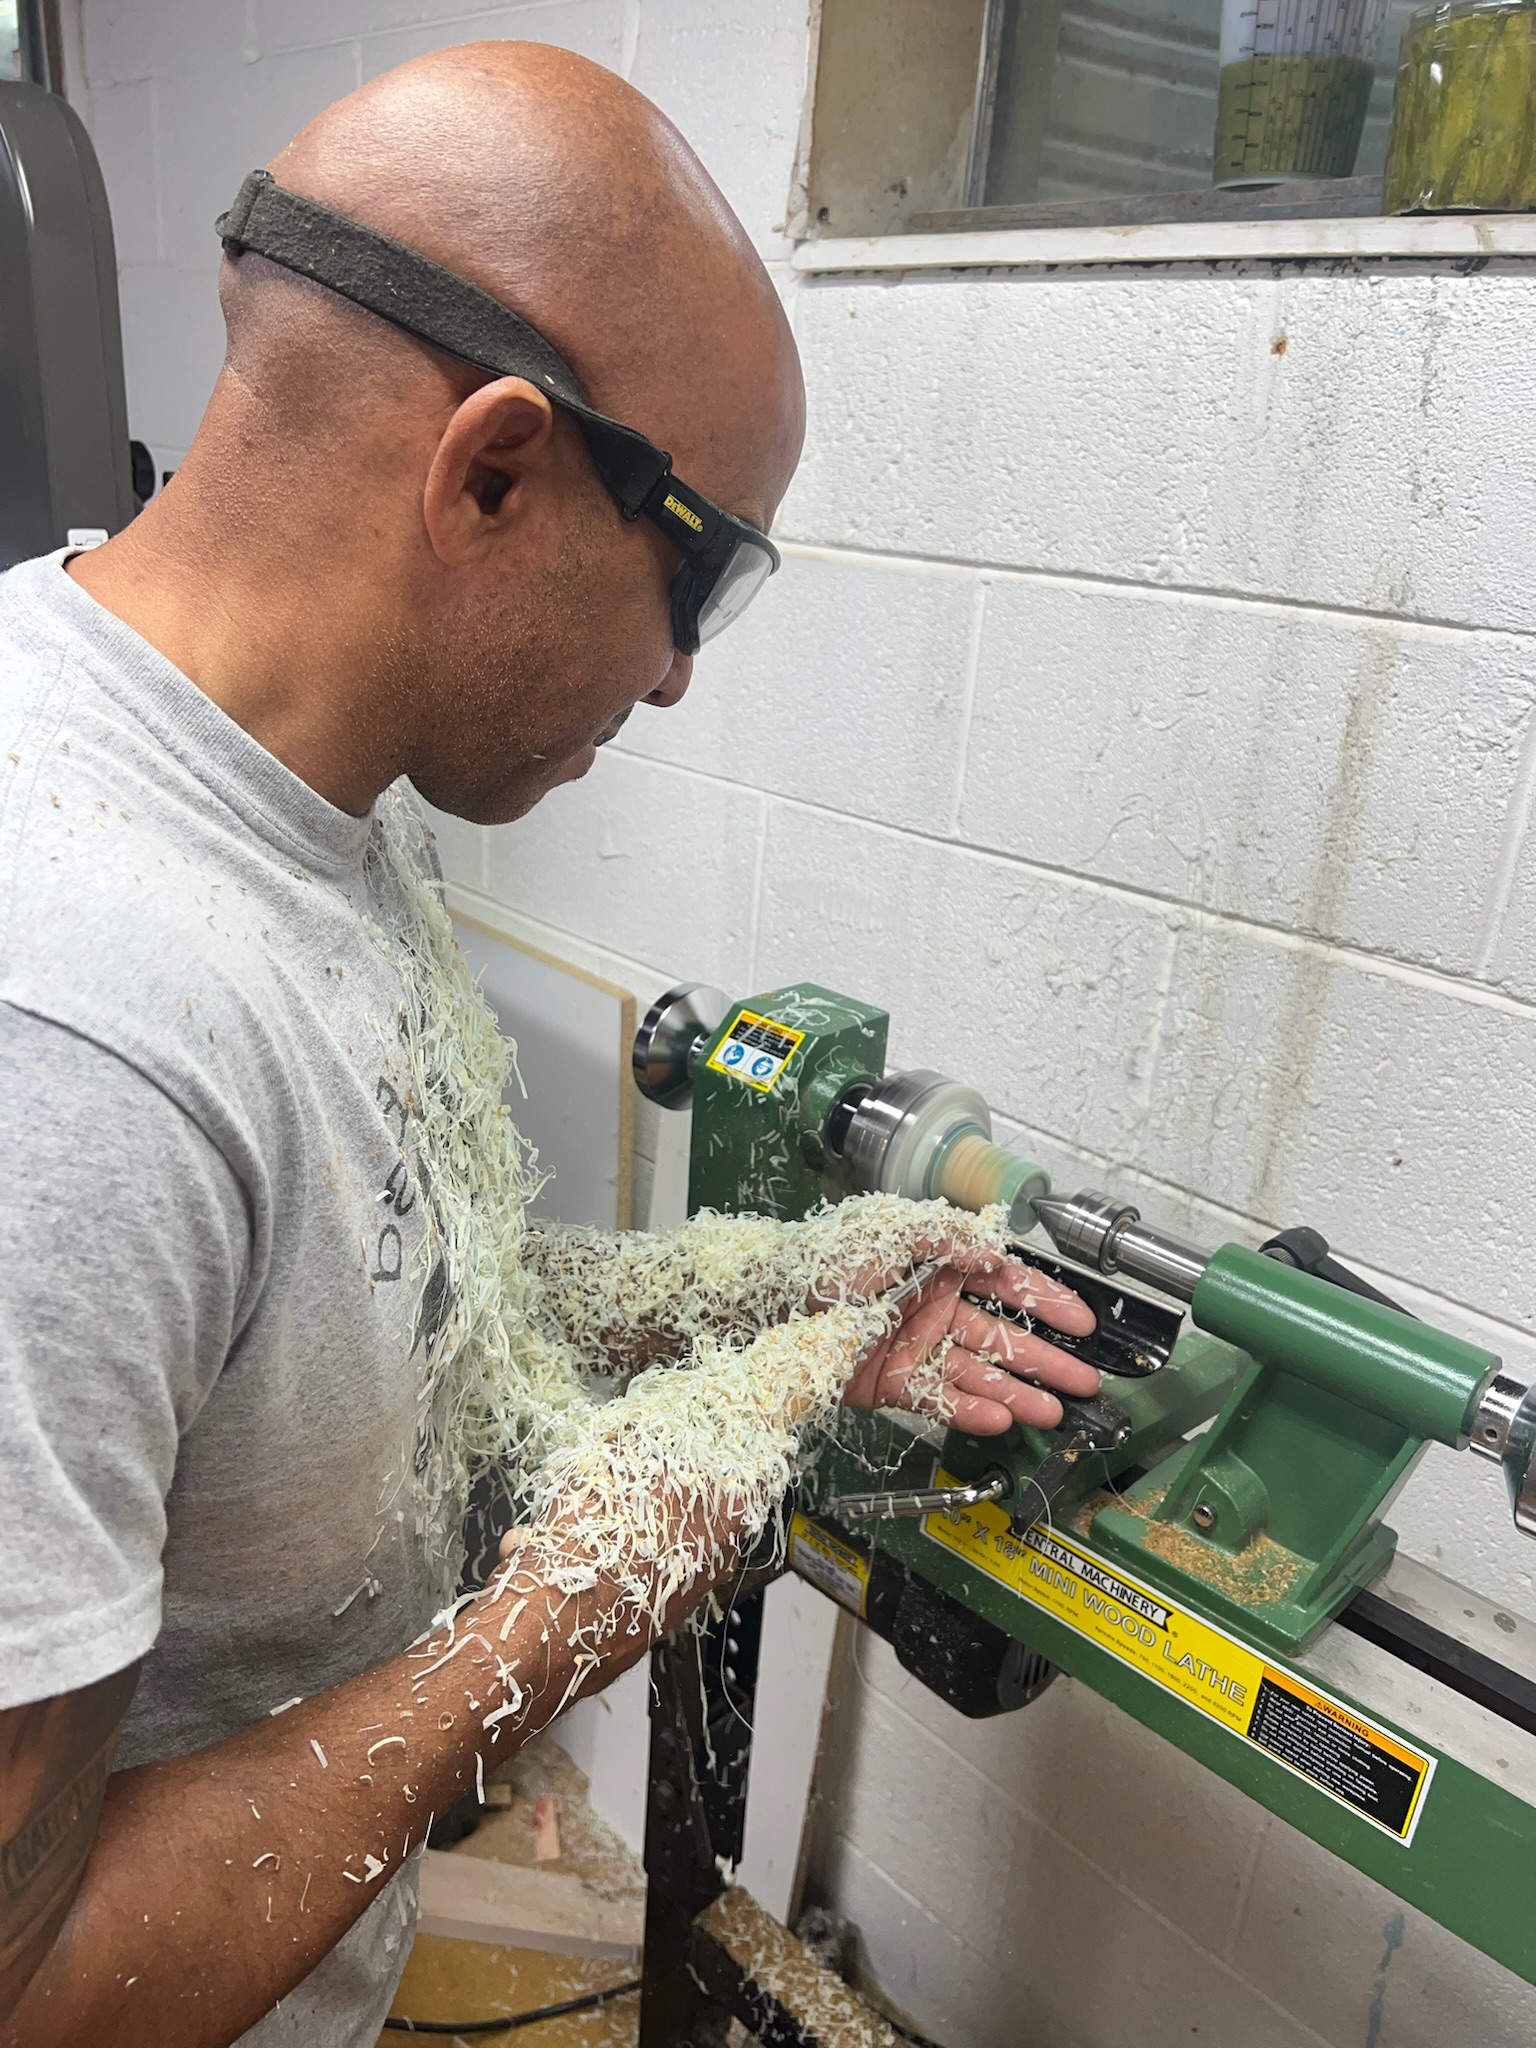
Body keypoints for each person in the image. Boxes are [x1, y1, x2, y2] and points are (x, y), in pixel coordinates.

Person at [0, 42, 1098, 2048]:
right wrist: (559, 1615)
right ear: (491, 470)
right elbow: (30, 1981)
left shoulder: (312, 805)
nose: (675, 677)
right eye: (702, 572)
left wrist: (754, 1302)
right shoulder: (69, 1039)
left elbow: (369, 1320)